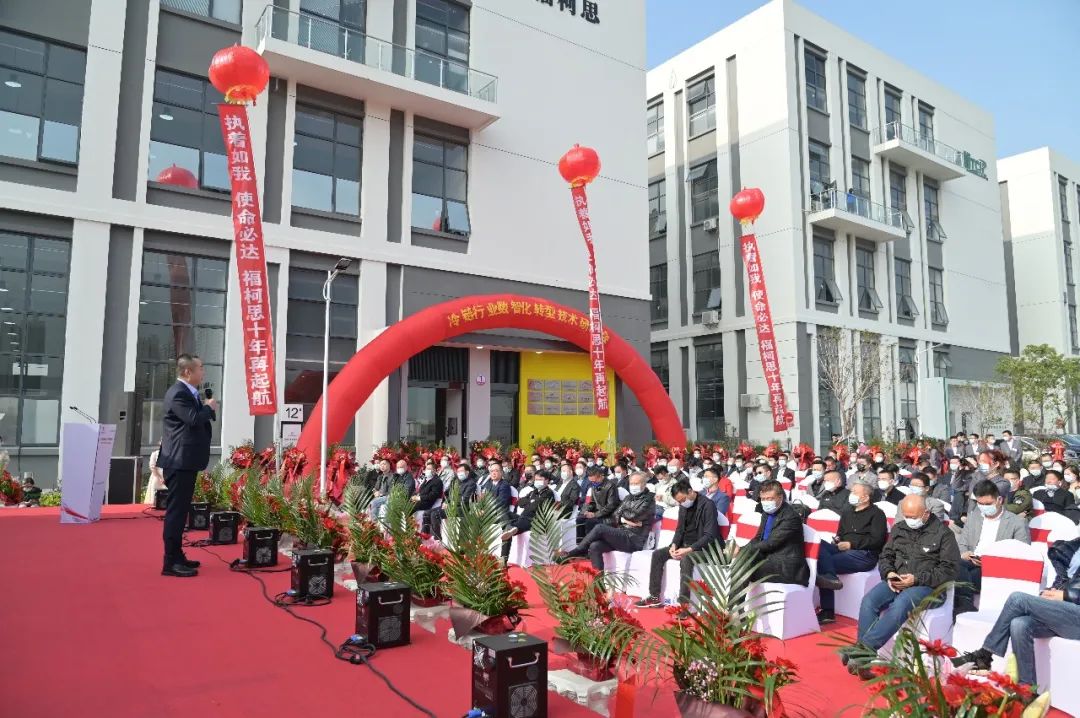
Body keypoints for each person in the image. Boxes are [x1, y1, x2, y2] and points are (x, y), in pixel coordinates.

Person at [951, 535, 1080, 690]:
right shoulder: (1075, 546)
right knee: (1019, 624)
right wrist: (1053, 591)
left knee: (1017, 599)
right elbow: (1066, 579)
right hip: (1065, 610)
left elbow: (1071, 591)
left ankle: (985, 655)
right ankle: (1026, 689)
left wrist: (1066, 595)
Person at [845, 495, 959, 668]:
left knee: (902, 603)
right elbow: (886, 556)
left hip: (928, 587)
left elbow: (950, 570)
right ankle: (862, 660)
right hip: (897, 580)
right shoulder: (899, 528)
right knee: (869, 600)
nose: (909, 520)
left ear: (926, 513)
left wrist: (916, 579)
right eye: (906, 516)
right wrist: (889, 573)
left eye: (913, 517)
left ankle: (863, 650)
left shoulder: (943, 534)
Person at [157, 354, 216, 578]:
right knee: (176, 512)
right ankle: (170, 562)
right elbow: (192, 418)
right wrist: (208, 408)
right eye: (200, 368)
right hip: (178, 461)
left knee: (181, 512)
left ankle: (177, 555)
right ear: (187, 372)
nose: (203, 371)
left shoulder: (189, 392)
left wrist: (206, 408)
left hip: (186, 460)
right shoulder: (178, 393)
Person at [635, 478, 721, 608]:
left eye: (683, 499)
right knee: (658, 554)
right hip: (684, 545)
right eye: (679, 502)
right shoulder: (683, 506)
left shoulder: (708, 505)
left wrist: (689, 549)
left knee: (687, 559)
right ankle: (654, 596)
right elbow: (680, 529)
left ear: (690, 491)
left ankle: (684, 604)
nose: (682, 503)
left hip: (705, 549)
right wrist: (674, 545)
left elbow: (710, 535)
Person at [954, 481, 1031, 615]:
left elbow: (1022, 555)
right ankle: (965, 604)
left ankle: (965, 603)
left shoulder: (1017, 522)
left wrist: (991, 561)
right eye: (980, 504)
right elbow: (962, 544)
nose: (984, 507)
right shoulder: (974, 518)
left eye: (988, 504)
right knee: (954, 563)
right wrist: (965, 554)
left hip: (997, 568)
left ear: (999, 500)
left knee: (963, 574)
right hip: (970, 561)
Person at [816, 483, 887, 624]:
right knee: (818, 544)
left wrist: (851, 544)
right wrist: (838, 540)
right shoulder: (847, 512)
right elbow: (840, 533)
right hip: (843, 548)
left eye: (855, 492)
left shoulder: (877, 514)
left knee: (824, 561)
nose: (851, 495)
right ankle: (831, 578)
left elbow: (877, 540)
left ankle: (828, 610)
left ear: (865, 497)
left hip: (864, 554)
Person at [561, 472, 657, 570]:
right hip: (622, 533)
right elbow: (616, 515)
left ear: (644, 484)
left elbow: (634, 515)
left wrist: (623, 515)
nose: (633, 486)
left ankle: (577, 551)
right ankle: (599, 577)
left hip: (634, 539)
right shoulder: (628, 498)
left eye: (636, 483)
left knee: (600, 528)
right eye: (631, 483)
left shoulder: (649, 500)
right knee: (595, 546)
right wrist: (624, 519)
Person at [740, 480, 810, 586]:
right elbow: (758, 538)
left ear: (780, 497)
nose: (766, 502)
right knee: (739, 562)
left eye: (770, 499)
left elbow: (771, 543)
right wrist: (743, 550)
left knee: (743, 567)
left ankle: (733, 598)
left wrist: (742, 551)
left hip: (787, 565)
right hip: (769, 558)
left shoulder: (791, 517)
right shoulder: (766, 513)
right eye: (763, 499)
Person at [500, 473, 555, 560]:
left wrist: (530, 501)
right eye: (536, 479)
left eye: (540, 479)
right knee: (504, 513)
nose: (537, 482)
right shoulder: (533, 492)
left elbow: (535, 507)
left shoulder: (549, 493)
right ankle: (512, 528)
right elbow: (520, 502)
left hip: (536, 520)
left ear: (547, 480)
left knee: (518, 523)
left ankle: (504, 556)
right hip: (523, 517)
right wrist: (531, 501)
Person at [430, 462, 476, 539]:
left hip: (462, 508)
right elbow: (449, 494)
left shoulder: (471, 483)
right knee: (429, 512)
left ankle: (438, 538)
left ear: (467, 472)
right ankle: (432, 537)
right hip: (451, 506)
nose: (459, 473)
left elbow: (465, 499)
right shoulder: (456, 482)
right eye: (458, 471)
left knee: (435, 514)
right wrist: (445, 502)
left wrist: (450, 504)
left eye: (461, 471)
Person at [576, 465, 620, 539]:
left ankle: (589, 543)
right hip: (597, 512)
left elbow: (611, 506)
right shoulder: (593, 485)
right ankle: (580, 542)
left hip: (608, 515)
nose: (592, 483)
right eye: (591, 481)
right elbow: (592, 502)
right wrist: (586, 511)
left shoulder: (610, 486)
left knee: (590, 522)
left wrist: (595, 514)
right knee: (580, 518)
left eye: (594, 481)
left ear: (600, 476)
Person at [412, 460, 445, 532]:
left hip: (428, 503)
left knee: (411, 507)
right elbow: (420, 491)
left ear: (434, 470)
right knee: (407, 503)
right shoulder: (426, 479)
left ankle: (410, 528)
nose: (427, 470)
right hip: (421, 501)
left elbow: (433, 495)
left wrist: (419, 498)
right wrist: (415, 497)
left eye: (430, 469)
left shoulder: (437, 481)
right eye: (427, 469)